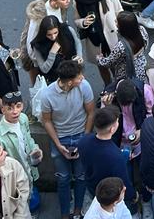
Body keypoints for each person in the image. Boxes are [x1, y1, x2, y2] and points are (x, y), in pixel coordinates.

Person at [39, 59, 95, 219]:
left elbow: (91, 113)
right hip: (60, 138)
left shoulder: (84, 87)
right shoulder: (47, 95)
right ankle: (64, 213)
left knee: (81, 176)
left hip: (80, 135)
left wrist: (84, 139)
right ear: (70, 82)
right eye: (79, 77)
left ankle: (77, 210)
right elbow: (47, 121)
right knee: (63, 179)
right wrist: (58, 144)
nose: (82, 78)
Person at [73, 0, 122, 85]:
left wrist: (120, 25)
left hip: (111, 35)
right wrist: (84, 22)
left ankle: (118, 86)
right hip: (95, 38)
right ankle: (108, 86)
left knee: (115, 64)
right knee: (101, 66)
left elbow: (119, 10)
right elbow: (76, 20)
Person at [77, 106, 134, 202]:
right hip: (109, 195)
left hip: (92, 188)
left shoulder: (83, 141)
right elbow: (123, 182)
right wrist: (132, 195)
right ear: (112, 129)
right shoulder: (116, 156)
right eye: (117, 121)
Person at [0, 93, 42, 192]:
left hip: (29, 168)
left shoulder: (23, 118)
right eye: (10, 108)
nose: (15, 111)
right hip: (15, 177)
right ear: (3, 110)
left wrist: (35, 149)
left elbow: (28, 138)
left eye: (18, 106)